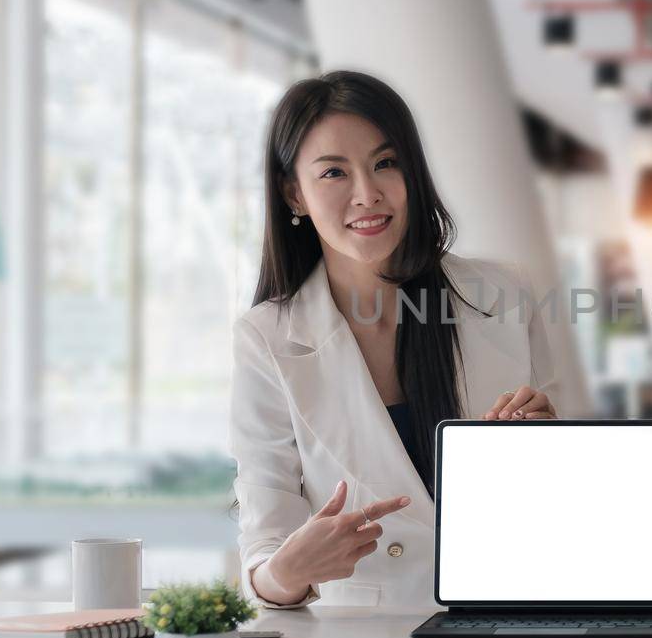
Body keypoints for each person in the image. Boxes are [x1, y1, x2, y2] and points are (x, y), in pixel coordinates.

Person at [230, 71, 558, 608]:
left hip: (509, 618)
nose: (367, 194)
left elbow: (572, 504)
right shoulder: (266, 338)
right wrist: (288, 573)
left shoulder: (506, 294)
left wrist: (549, 445)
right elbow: (265, 551)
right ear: (296, 193)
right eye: (334, 172)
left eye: (386, 163)